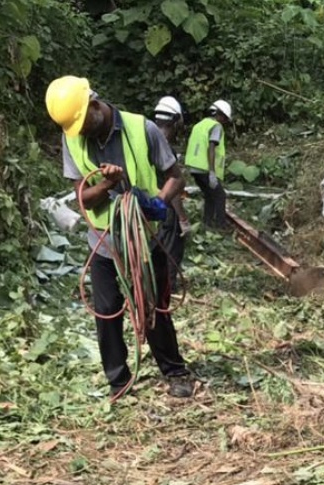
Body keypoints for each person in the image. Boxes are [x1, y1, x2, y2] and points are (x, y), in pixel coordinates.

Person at [45, 76, 194, 399]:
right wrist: (107, 185)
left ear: (94, 104)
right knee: (106, 310)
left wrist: (159, 202)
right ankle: (118, 380)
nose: (81, 131)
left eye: (83, 123)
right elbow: (84, 200)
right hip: (103, 243)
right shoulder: (72, 138)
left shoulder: (143, 129)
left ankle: (175, 371)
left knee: (153, 305)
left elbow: (175, 177)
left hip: (144, 239)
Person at [152, 95, 191, 279]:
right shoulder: (165, 148)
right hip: (165, 208)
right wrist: (182, 218)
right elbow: (173, 186)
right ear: (175, 121)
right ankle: (167, 286)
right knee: (170, 250)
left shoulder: (147, 141)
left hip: (148, 205)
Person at [185, 99, 232, 230]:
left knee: (210, 196)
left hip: (194, 168)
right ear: (219, 114)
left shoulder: (199, 125)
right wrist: (212, 172)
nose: (224, 122)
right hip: (205, 168)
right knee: (220, 195)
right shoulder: (216, 126)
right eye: (225, 118)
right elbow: (211, 147)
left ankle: (207, 224)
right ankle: (221, 226)